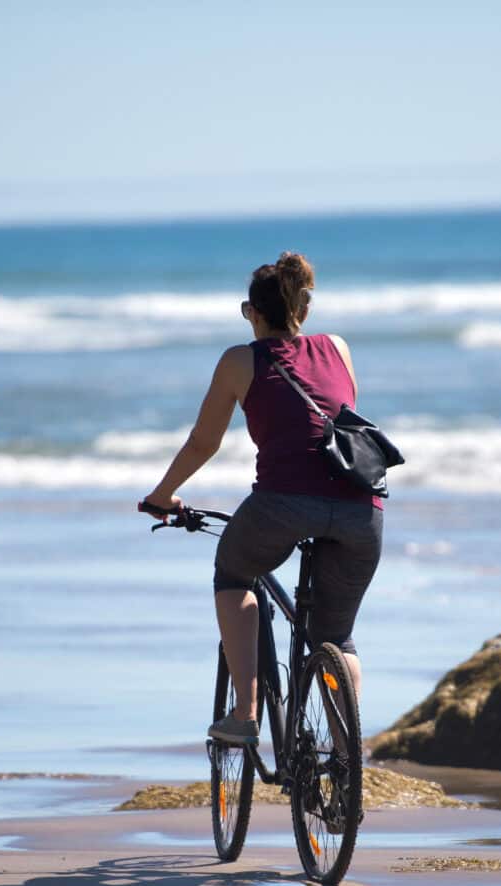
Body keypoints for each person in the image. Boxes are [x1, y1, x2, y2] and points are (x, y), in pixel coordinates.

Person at [142, 251, 383, 745]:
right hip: (363, 507)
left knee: (233, 570)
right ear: (304, 310)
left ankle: (245, 715)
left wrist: (163, 495)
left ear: (251, 312)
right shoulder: (338, 346)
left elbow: (203, 442)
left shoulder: (239, 360)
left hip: (283, 503)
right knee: (335, 638)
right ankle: (347, 762)